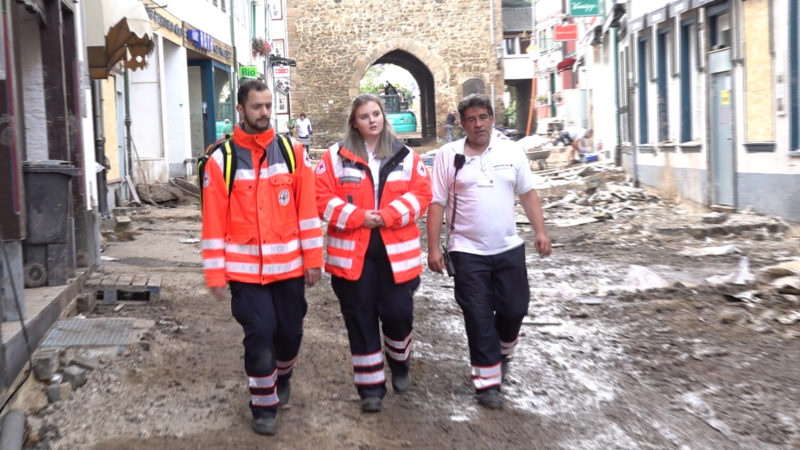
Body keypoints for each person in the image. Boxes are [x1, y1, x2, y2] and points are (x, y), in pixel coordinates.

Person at [201, 79, 323, 436]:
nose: (265, 112)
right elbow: (212, 221)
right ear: (240, 110)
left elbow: (307, 211)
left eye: (268, 105)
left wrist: (313, 259)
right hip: (245, 274)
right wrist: (216, 274)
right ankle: (263, 404)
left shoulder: (291, 152)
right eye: (257, 107)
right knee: (260, 332)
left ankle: (283, 374)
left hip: (288, 268)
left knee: (290, 331)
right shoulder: (221, 160)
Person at [427, 93, 551, 409]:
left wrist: (540, 231)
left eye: (483, 117)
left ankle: (503, 350)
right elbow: (437, 202)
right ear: (463, 122)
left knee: (514, 309)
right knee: (478, 316)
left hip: (509, 248)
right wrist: (432, 248)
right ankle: (486, 384)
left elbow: (527, 192)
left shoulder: (512, 151)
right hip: (466, 252)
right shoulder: (448, 155)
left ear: (492, 118)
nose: (478, 124)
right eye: (471, 119)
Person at [315, 93, 432, 413]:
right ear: (355, 121)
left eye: (376, 113)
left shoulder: (406, 156)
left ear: (383, 117)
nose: (372, 120)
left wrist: (389, 215)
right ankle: (370, 389)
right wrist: (358, 218)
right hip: (354, 255)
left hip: (397, 254)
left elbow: (422, 194)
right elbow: (321, 197)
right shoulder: (335, 157)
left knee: (398, 314)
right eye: (365, 115)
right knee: (360, 319)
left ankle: (400, 360)